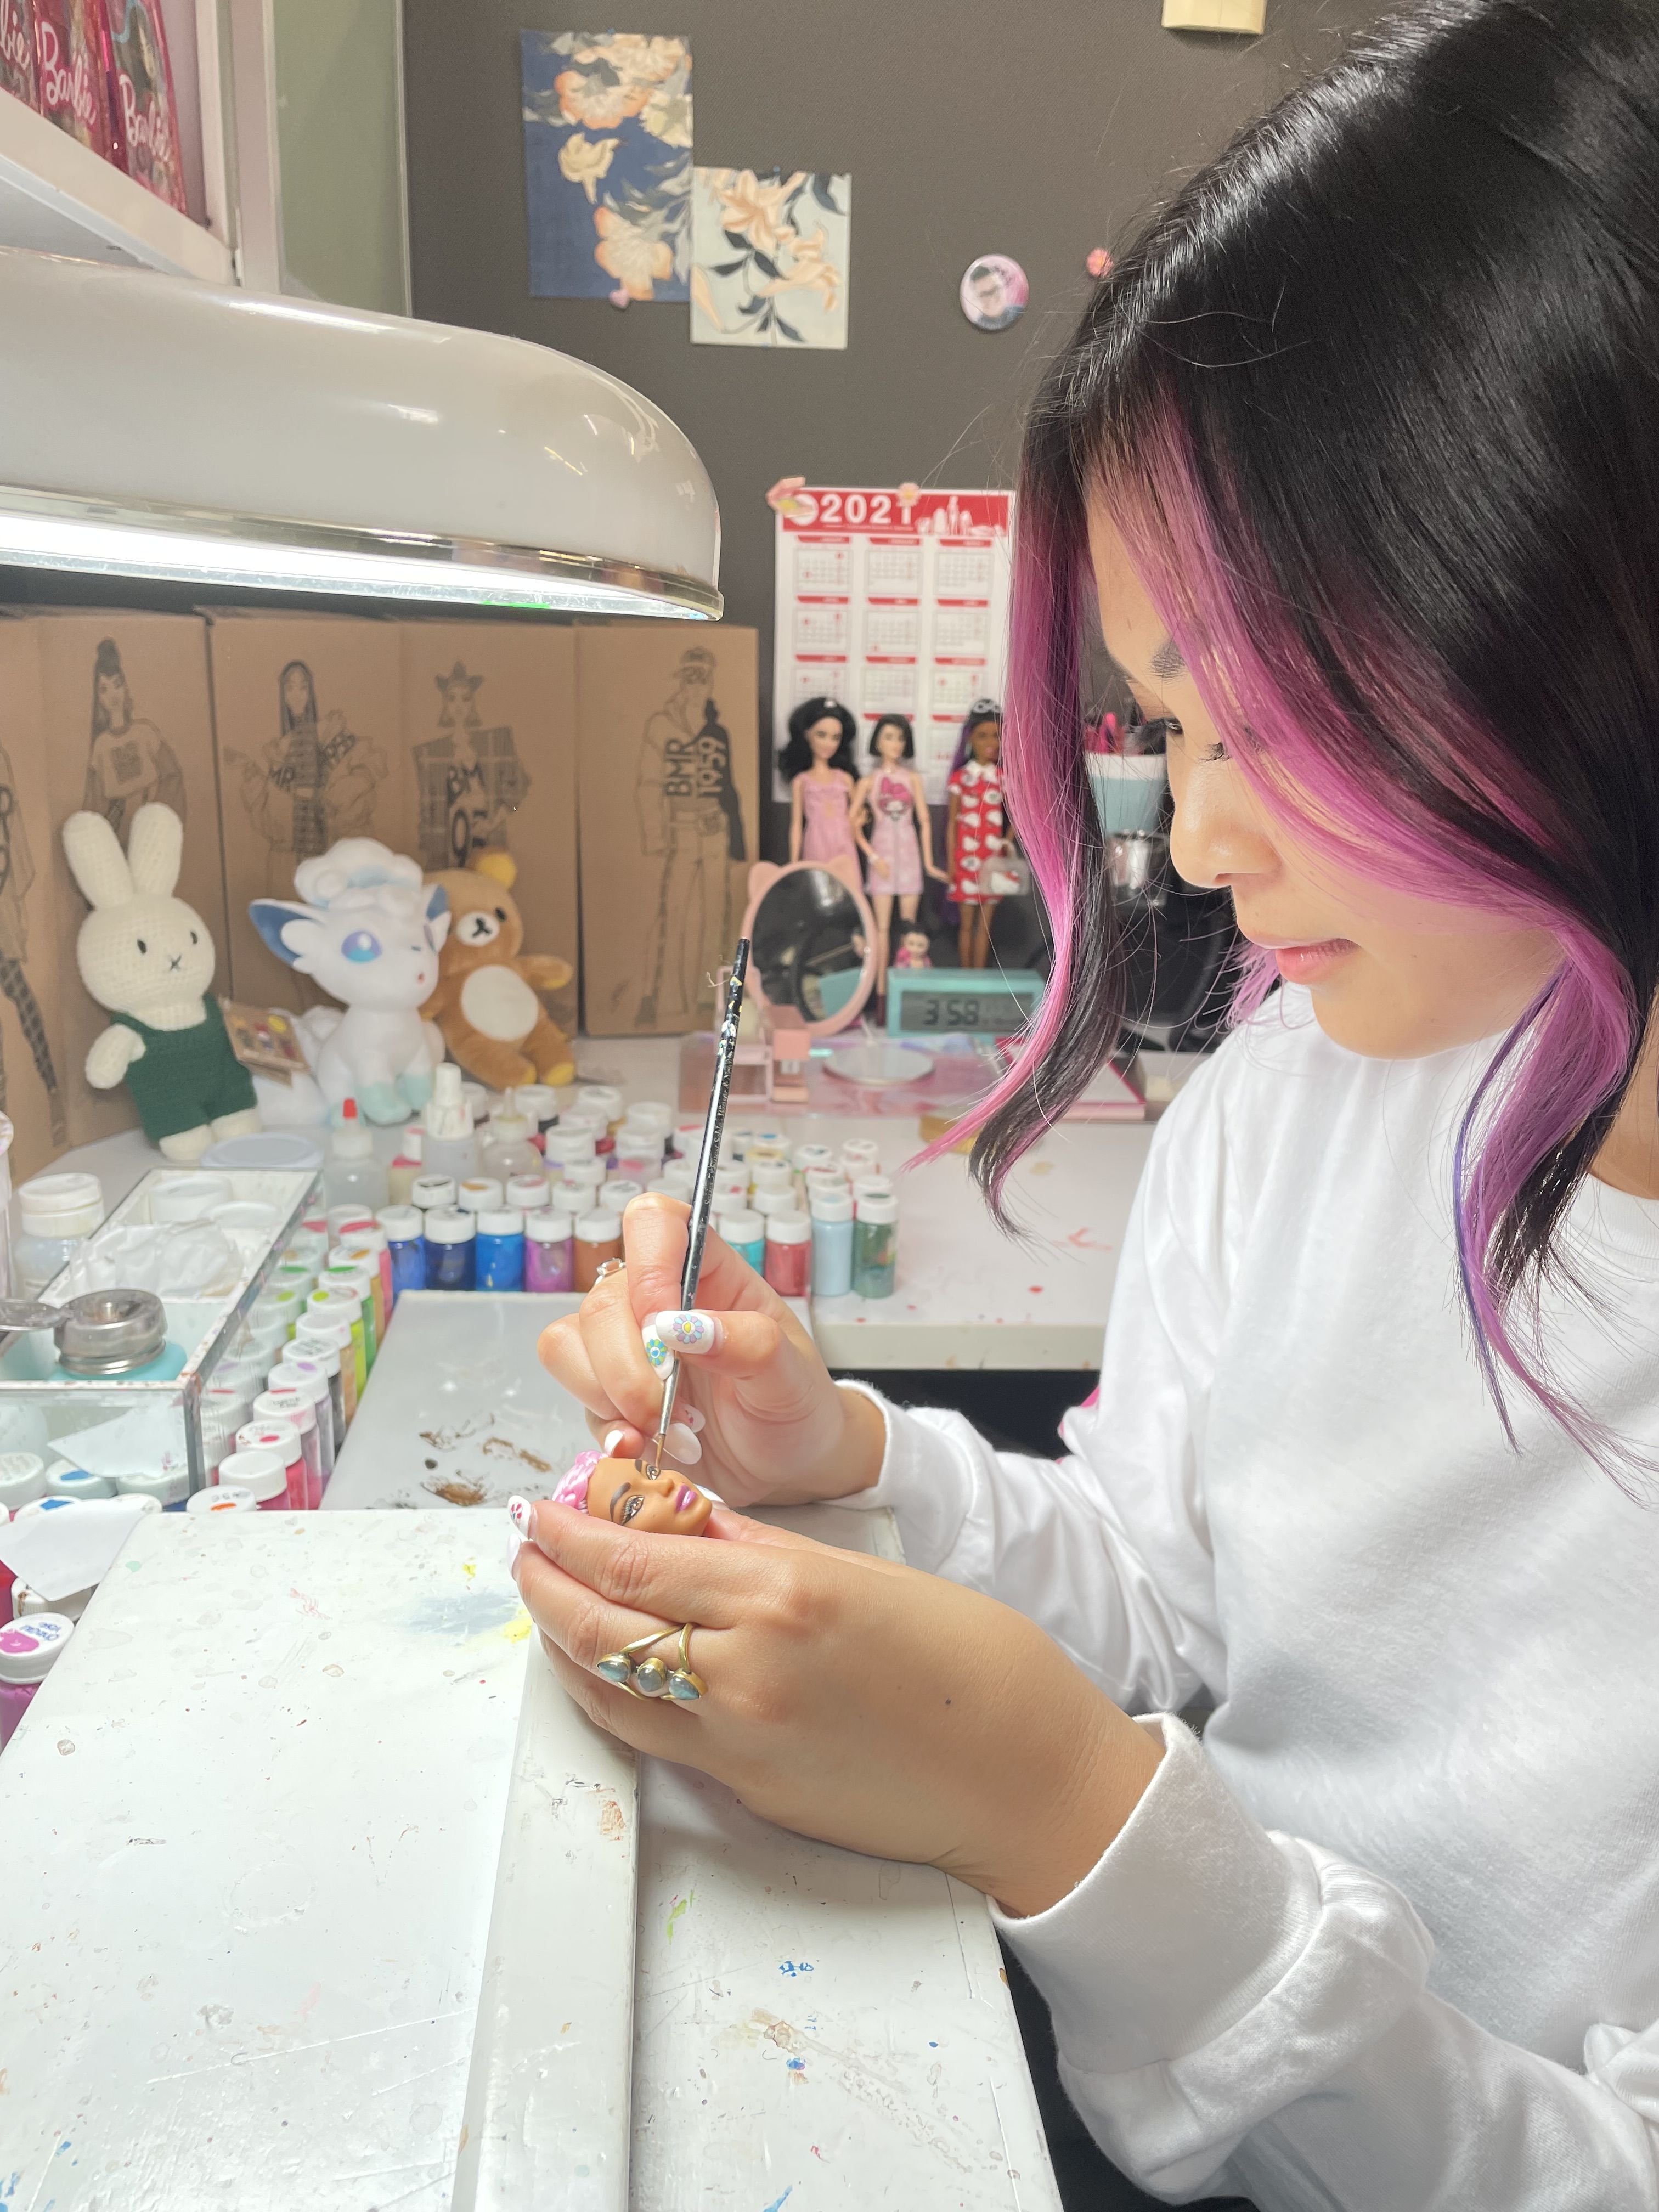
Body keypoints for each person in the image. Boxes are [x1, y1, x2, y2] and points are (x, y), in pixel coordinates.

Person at [521, 5, 1659, 2206]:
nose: (1203, 847)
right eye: (1165, 731)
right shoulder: (1308, 1084)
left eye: (1270, 727)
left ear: (1579, 626)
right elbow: (1166, 1589)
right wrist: (839, 1457)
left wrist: (1069, 1820)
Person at [635, 646, 746, 1026]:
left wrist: (738, 842)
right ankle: (658, 997)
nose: (696, 686)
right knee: (673, 913)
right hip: (680, 830)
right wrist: (655, 834)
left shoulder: (719, 729)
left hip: (715, 828)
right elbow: (649, 783)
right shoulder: (661, 725)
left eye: (703, 678)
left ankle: (705, 1000)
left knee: (716, 917)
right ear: (681, 681)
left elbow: (729, 786)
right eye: (690, 677)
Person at [851, 713, 947, 987]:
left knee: (909, 927)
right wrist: (873, 856)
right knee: (880, 929)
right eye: (889, 737)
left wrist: (928, 864)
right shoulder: (868, 782)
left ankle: (905, 990)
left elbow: (925, 821)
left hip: (909, 854)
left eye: (901, 737)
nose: (896, 743)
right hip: (881, 853)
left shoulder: (912, 779)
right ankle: (880, 990)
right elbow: (852, 825)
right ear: (878, 742)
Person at [83, 637, 185, 840]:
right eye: (104, 689)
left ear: (126, 686)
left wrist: (155, 812)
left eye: (117, 684)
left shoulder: (146, 732)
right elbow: (94, 807)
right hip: (119, 833)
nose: (113, 694)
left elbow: (173, 777)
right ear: (98, 698)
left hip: (153, 826)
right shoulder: (101, 746)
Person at [946, 702, 1009, 968]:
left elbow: (1016, 816)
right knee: (966, 925)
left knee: (986, 926)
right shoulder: (961, 779)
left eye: (996, 735)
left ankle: (980, 979)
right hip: (965, 859)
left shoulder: (1003, 778)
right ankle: (966, 978)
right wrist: (951, 862)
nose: (990, 742)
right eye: (983, 735)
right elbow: (951, 823)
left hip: (993, 858)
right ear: (970, 738)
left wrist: (1008, 840)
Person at [778, 695, 860, 865]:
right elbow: (796, 827)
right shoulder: (802, 781)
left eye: (835, 738)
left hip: (844, 843)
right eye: (821, 735)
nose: (828, 744)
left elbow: (858, 814)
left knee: (847, 887)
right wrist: (794, 863)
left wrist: (862, 817)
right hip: (816, 843)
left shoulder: (844, 779)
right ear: (807, 735)